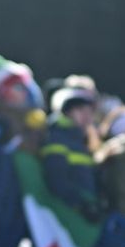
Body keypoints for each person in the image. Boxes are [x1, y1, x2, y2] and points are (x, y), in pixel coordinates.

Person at [43, 84, 102, 220]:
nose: (86, 116)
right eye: (80, 110)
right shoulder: (57, 137)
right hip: (68, 216)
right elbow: (56, 180)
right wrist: (81, 205)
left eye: (89, 111)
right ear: (67, 112)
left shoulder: (83, 141)